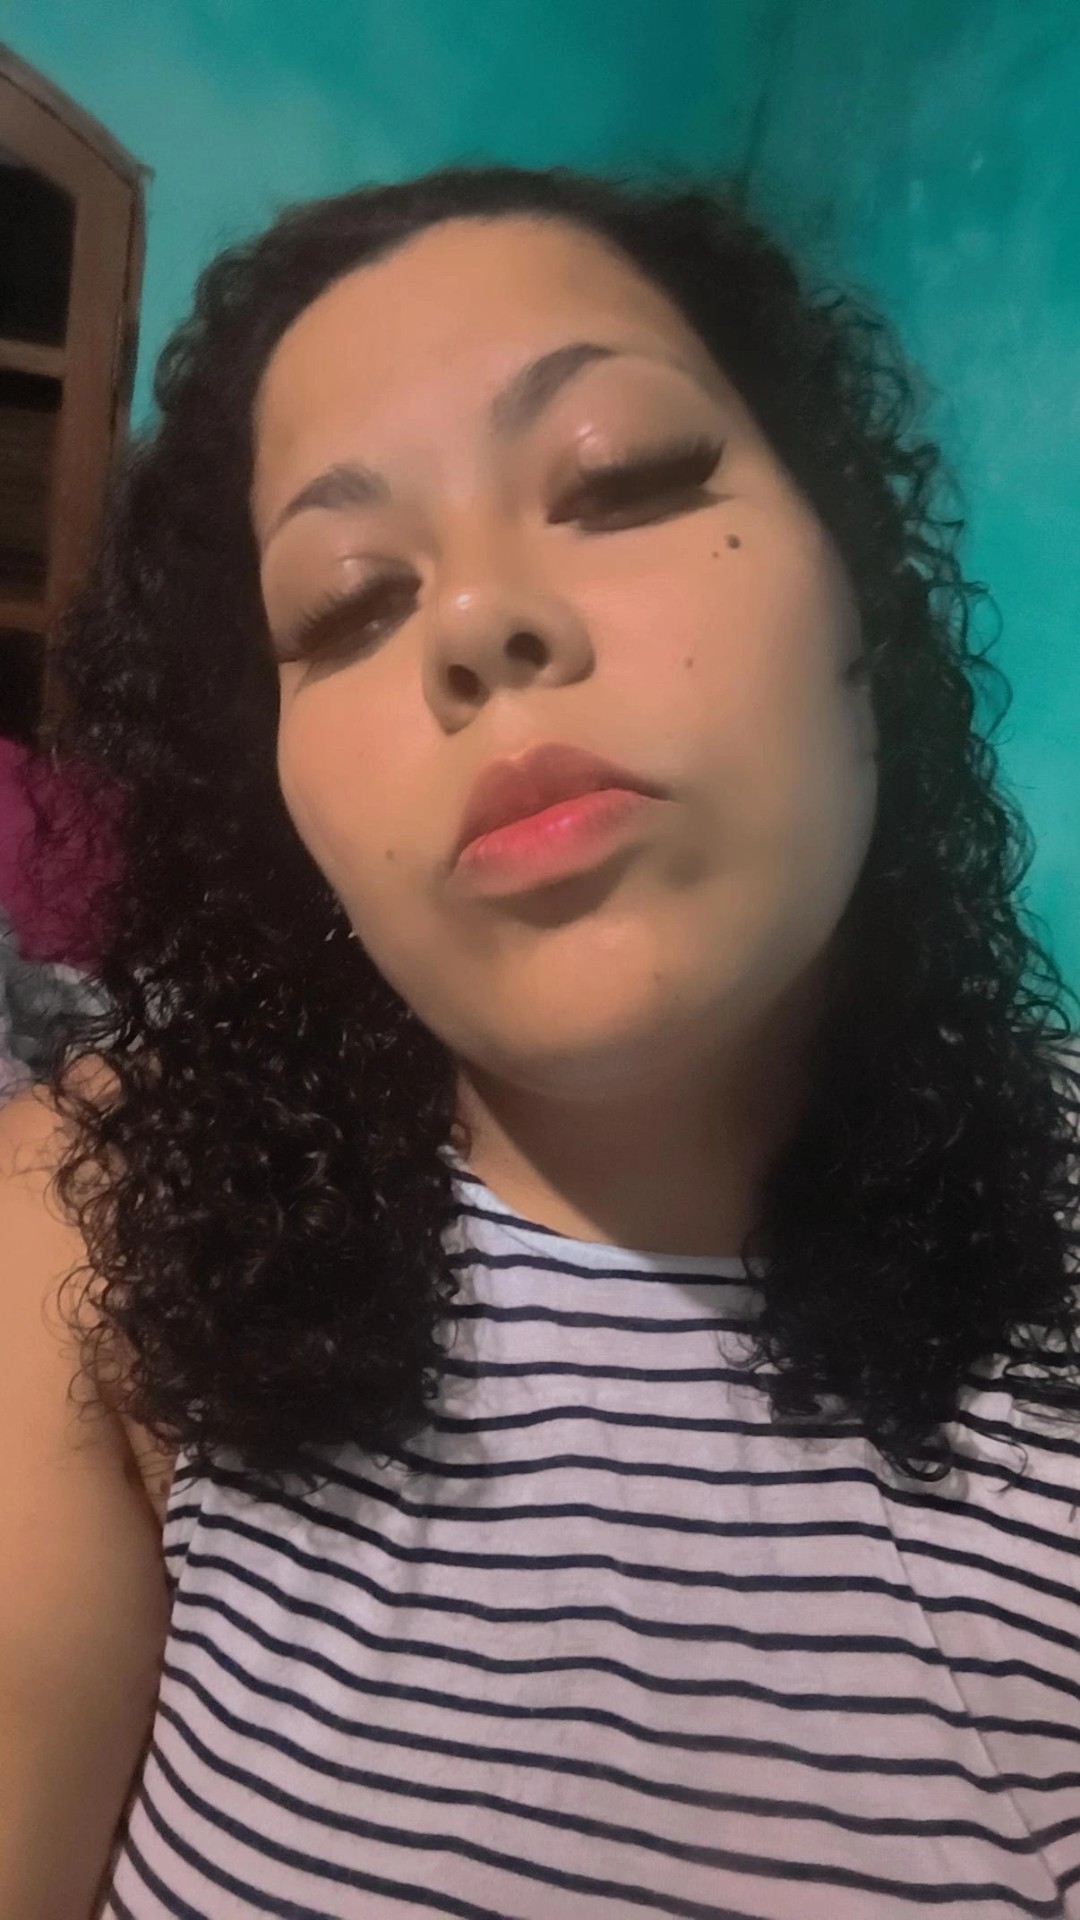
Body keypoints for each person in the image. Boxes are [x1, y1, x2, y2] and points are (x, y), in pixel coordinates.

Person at [2, 160, 1079, 1920]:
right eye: (347, 603)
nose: (476, 624)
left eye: (622, 477)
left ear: (860, 596)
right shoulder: (82, 1237)